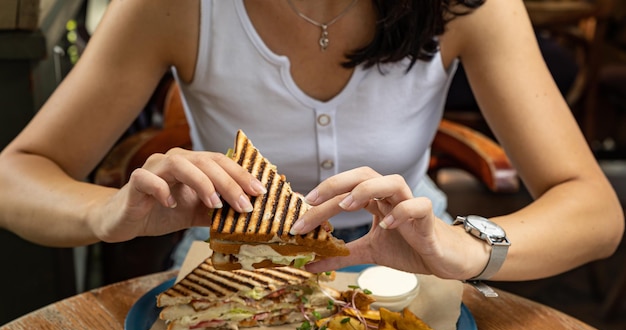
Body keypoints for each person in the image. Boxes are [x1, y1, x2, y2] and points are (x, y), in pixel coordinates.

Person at [0, 0, 622, 282]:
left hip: (415, 265)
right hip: (230, 275)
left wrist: (465, 248)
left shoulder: (466, 7)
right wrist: (105, 212)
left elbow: (594, 211)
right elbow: (17, 172)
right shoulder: (175, 7)